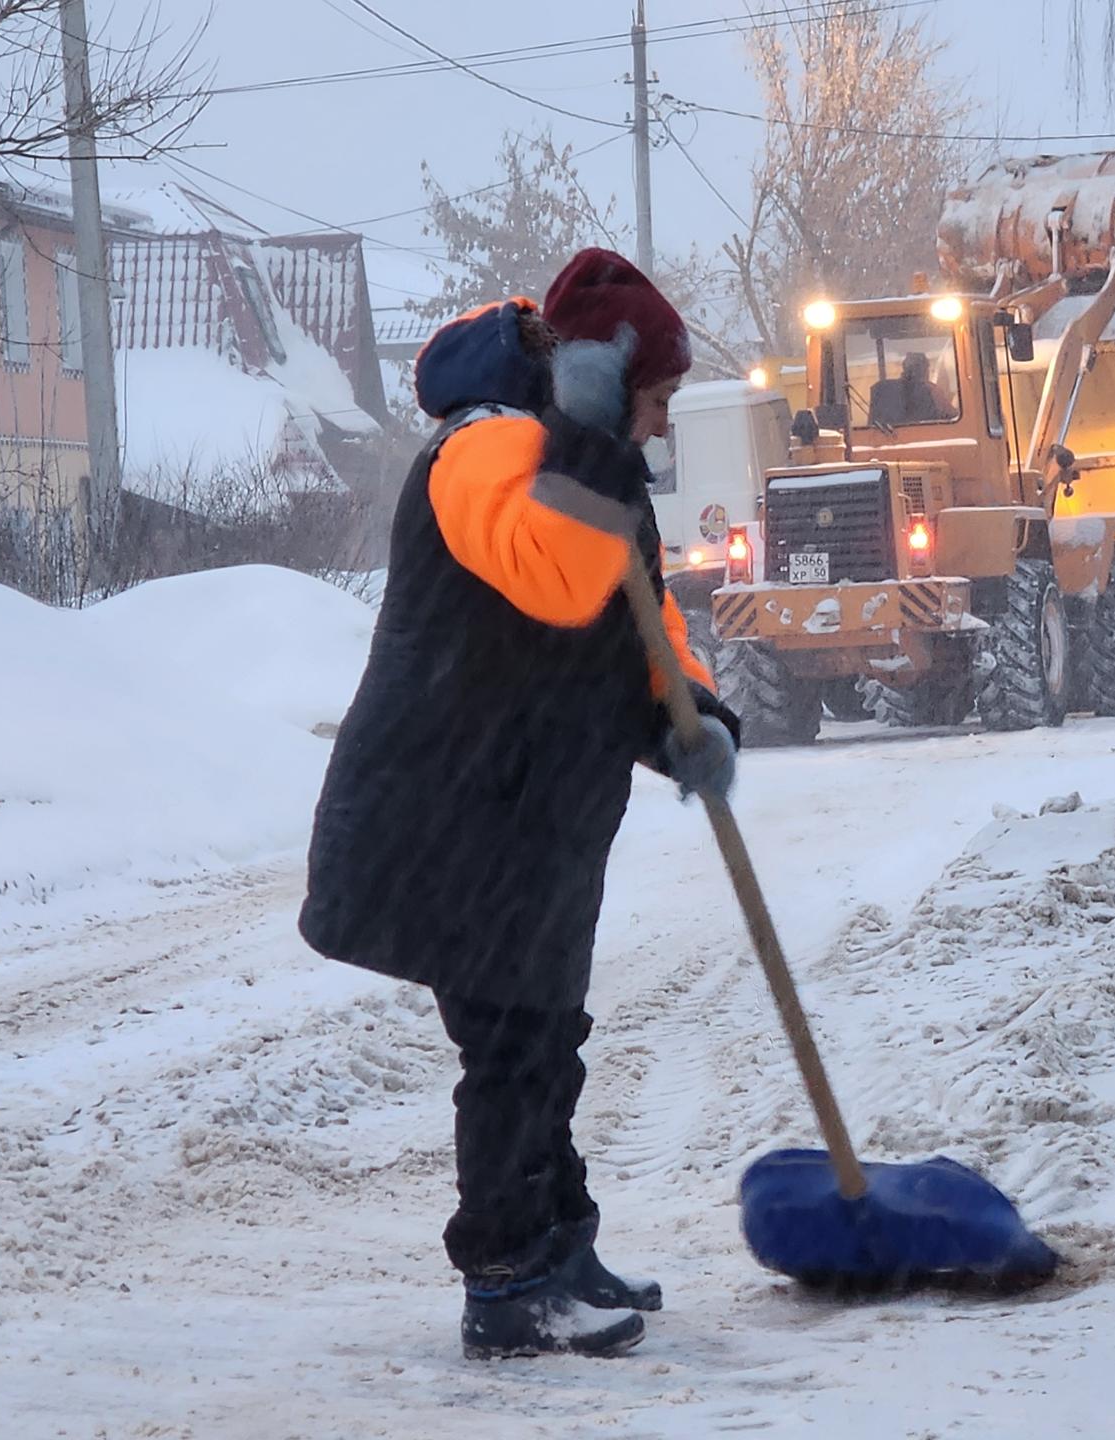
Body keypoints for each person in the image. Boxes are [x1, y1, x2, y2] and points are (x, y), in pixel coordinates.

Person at [298, 249, 741, 1361]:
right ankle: (505, 1284)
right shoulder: (488, 450)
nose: (658, 426)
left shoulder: (580, 464)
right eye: (655, 399)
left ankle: (558, 1245)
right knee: (514, 1050)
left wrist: (693, 719)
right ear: (605, 379)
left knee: (548, 1039)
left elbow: (629, 619)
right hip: (455, 817)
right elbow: (553, 571)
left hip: (527, 816)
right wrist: (589, 440)